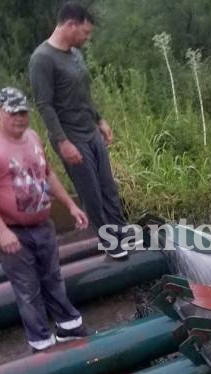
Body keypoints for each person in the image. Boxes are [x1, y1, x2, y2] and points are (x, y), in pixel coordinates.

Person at [0, 86, 91, 352]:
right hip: (12, 231)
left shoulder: (33, 137)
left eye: (23, 112)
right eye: (13, 113)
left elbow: (47, 174)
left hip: (42, 226)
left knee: (53, 277)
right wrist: (1, 231)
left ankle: (69, 328)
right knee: (28, 287)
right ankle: (42, 345)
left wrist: (71, 205)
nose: (20, 118)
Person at [29, 1, 131, 259]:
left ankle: (121, 232)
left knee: (108, 187)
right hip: (70, 137)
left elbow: (83, 95)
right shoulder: (42, 59)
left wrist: (100, 120)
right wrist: (62, 142)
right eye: (85, 33)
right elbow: (44, 104)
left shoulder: (75, 55)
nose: (87, 38)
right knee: (91, 193)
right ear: (70, 25)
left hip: (90, 130)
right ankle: (109, 242)